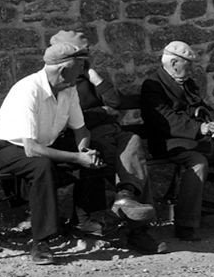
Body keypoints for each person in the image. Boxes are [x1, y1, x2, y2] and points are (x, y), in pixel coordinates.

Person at [0, 38, 107, 264]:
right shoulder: (28, 90)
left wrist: (84, 150)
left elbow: (81, 129)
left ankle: (83, 222)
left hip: (41, 146)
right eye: (81, 66)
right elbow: (31, 149)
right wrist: (77, 158)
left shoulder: (68, 89)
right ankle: (41, 241)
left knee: (95, 154)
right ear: (64, 69)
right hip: (4, 149)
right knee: (42, 166)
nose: (84, 71)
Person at [47, 30, 164, 255]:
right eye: (80, 57)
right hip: (84, 138)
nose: (84, 61)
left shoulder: (88, 79)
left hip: (110, 133)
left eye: (85, 57)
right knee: (131, 166)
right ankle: (138, 230)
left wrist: (94, 76)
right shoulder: (59, 80)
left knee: (133, 140)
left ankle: (125, 197)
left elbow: (115, 101)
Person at [141, 41, 214, 243]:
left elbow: (203, 107)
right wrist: (199, 129)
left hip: (200, 141)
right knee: (198, 163)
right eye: (188, 64)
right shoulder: (153, 85)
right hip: (172, 142)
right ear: (175, 62)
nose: (192, 69)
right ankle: (186, 224)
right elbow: (165, 119)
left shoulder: (188, 83)